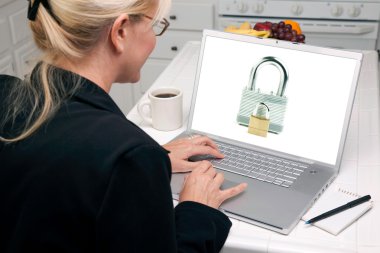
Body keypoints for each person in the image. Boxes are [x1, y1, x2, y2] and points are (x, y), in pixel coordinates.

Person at [0, 0, 247, 252]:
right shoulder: (129, 155)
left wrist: (142, 165)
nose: (154, 39)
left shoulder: (4, 92)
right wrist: (198, 210)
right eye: (155, 27)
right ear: (120, 32)